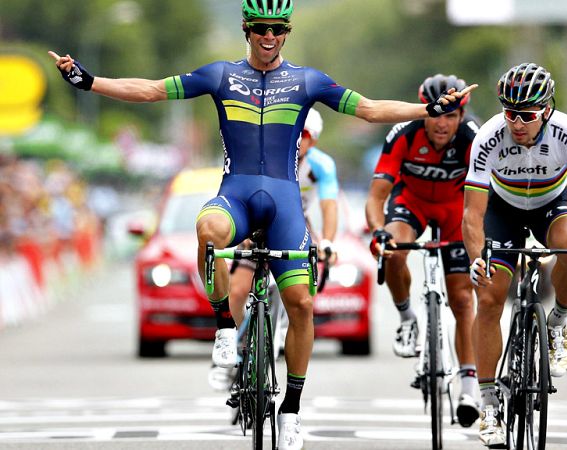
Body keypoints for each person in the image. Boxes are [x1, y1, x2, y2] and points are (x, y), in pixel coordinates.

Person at [48, 1, 475, 448]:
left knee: (302, 305)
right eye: (260, 28)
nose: (268, 36)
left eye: (277, 28)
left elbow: (368, 109)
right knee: (208, 230)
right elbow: (152, 90)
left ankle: (291, 410)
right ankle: (225, 328)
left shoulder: (307, 80)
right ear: (247, 30)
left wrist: (427, 110)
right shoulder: (219, 75)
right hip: (236, 195)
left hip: (286, 204)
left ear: (286, 32)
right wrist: (90, 81)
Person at [463, 62, 567, 447]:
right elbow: (472, 214)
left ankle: (558, 323)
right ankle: (490, 403)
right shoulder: (489, 137)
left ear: (546, 109)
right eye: (509, 113)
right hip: (503, 208)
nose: (516, 122)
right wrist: (479, 258)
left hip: (550, 202)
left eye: (526, 115)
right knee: (490, 299)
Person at [365, 74, 481, 427]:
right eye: (435, 114)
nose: (442, 123)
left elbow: (485, 198)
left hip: (455, 211)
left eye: (451, 115)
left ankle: (469, 384)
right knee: (395, 249)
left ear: (462, 115)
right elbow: (376, 196)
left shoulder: (473, 138)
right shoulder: (403, 133)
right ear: (424, 111)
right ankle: (406, 319)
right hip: (410, 203)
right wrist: (378, 232)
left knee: (462, 298)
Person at [209, 107, 338, 388]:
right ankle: (235, 348)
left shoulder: (321, 166)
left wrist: (328, 242)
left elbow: (330, 206)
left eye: (302, 135)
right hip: (257, 223)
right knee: (239, 289)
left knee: (302, 290)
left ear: (312, 140)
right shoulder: (267, 158)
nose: (295, 140)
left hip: (295, 224)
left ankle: (283, 328)